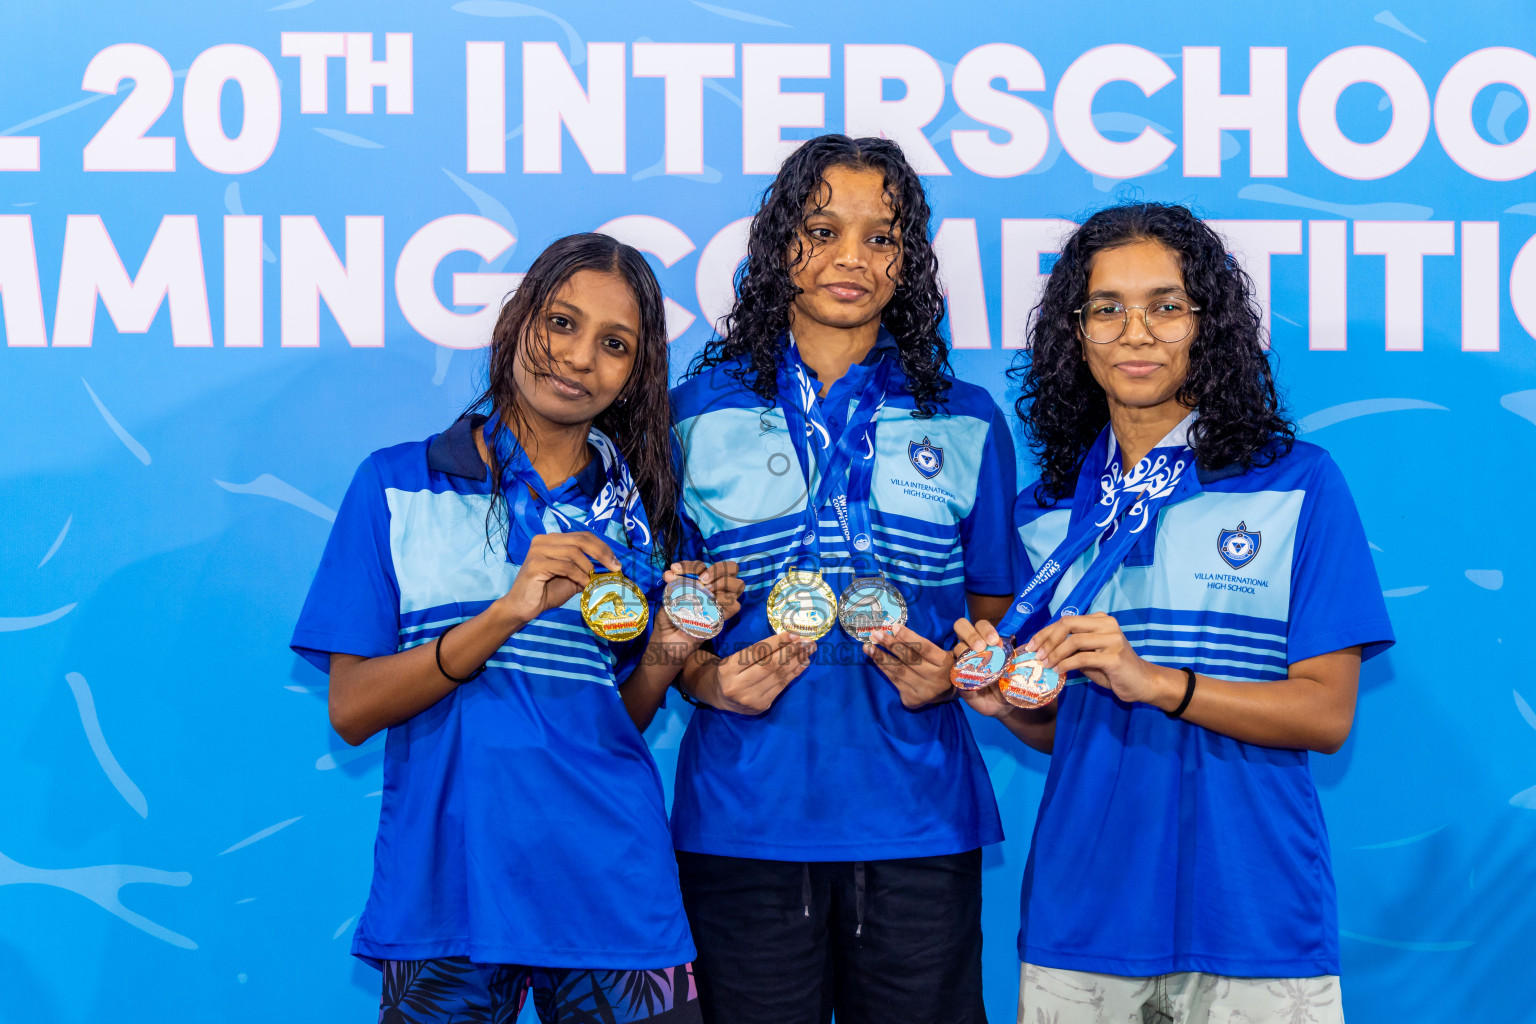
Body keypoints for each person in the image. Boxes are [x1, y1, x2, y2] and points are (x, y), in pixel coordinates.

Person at [954, 203, 1394, 1023]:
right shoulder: (1043, 514)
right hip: (1082, 918)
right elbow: (1065, 726)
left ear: (1208, 324)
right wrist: (1006, 707)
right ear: (1075, 334)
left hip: (1255, 916)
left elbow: (1326, 714)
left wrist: (1156, 681)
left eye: (1166, 305)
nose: (1136, 332)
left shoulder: (1296, 484)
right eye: (1107, 308)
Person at [289, 233, 742, 1023]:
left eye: (613, 344)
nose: (576, 357)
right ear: (515, 321)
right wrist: (505, 614)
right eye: (560, 323)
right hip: (451, 890)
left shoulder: (639, 519)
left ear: (636, 374)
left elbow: (615, 720)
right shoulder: (395, 485)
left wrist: (668, 651)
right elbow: (352, 709)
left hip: (614, 884)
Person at [668, 134, 1018, 1024]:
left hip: (917, 820)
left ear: (910, 261)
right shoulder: (690, 417)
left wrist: (961, 674)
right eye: (821, 231)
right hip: (745, 818)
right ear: (777, 244)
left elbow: (994, 623)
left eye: (882, 237)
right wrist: (707, 682)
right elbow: (661, 619)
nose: (850, 259)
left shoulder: (968, 421)